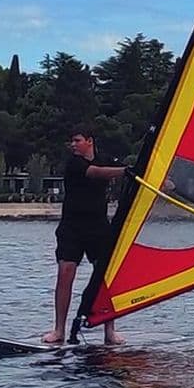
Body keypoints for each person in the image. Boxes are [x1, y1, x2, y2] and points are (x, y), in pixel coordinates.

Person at [42, 126, 128, 345]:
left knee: (104, 277)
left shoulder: (106, 159)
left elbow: (127, 175)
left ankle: (110, 331)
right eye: (71, 141)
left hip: (98, 227)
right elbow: (96, 173)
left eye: (77, 140)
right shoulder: (74, 163)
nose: (73, 144)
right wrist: (127, 171)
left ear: (89, 141)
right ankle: (59, 330)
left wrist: (157, 180)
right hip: (71, 227)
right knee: (65, 272)